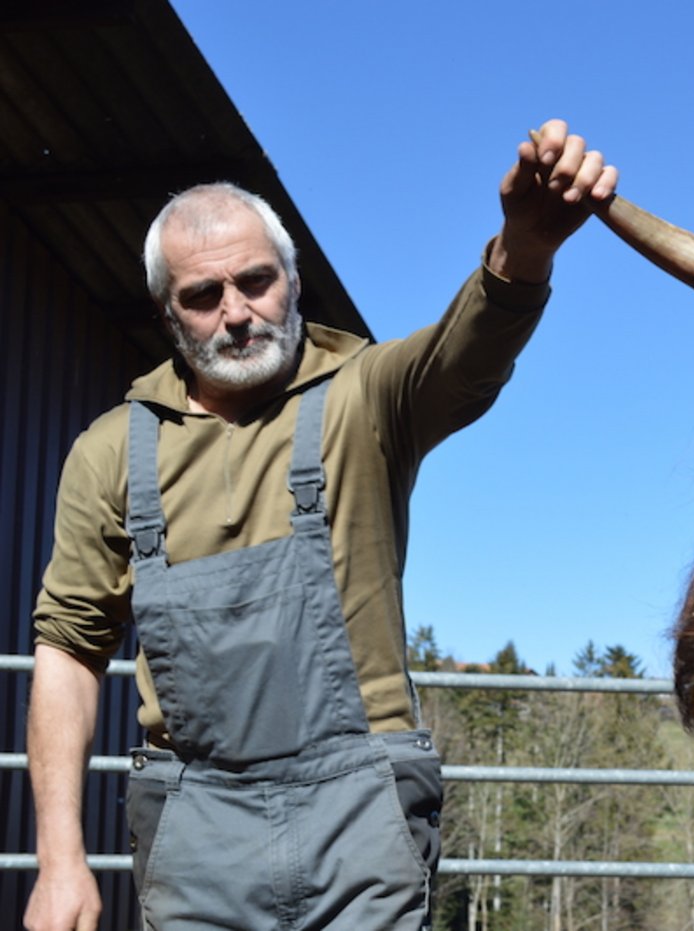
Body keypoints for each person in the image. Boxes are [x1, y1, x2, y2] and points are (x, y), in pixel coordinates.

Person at [23, 119, 617, 931]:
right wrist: (60, 859)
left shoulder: (366, 397)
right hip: (197, 826)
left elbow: (465, 354)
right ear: (169, 314)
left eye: (256, 281)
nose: (236, 312)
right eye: (204, 295)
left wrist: (526, 246)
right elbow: (68, 649)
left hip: (360, 815)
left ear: (292, 281)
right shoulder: (111, 453)